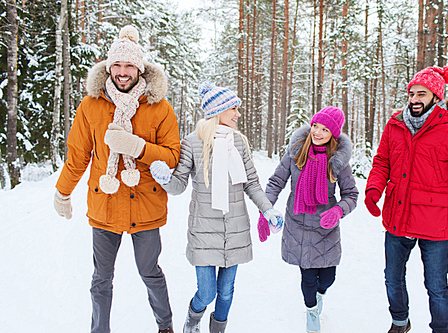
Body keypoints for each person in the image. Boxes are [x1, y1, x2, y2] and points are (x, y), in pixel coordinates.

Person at [53, 25, 180, 333]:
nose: (123, 72)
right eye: (118, 65)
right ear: (109, 67)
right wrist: (63, 192)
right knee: (101, 279)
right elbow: (79, 155)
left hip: (146, 205)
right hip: (104, 205)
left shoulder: (159, 107)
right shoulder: (90, 105)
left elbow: (172, 156)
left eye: (130, 66)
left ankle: (165, 326)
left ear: (140, 68)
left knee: (150, 272)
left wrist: (138, 147)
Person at [364, 66, 448, 333]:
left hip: (434, 224)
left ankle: (442, 329)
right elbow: (382, 162)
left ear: (436, 96)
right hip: (397, 218)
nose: (414, 99)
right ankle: (400, 322)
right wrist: (373, 190)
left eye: (421, 93)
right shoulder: (395, 125)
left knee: (436, 286)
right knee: (392, 278)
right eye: (411, 93)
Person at [149, 81, 283, 333]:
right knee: (207, 292)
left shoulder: (239, 143)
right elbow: (179, 185)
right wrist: (165, 179)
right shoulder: (191, 142)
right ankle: (193, 318)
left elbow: (251, 184)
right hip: (204, 230)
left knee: (226, 293)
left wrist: (268, 209)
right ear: (217, 111)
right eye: (233, 108)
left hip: (235, 230)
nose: (238, 114)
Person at [259, 106, 359, 333]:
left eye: (324, 129)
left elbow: (351, 195)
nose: (317, 132)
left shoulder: (338, 161)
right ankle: (311, 310)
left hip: (326, 227)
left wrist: (339, 211)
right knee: (308, 278)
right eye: (315, 126)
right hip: (299, 226)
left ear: (333, 134)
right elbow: (276, 182)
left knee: (327, 278)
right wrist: (265, 210)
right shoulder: (296, 152)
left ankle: (319, 295)